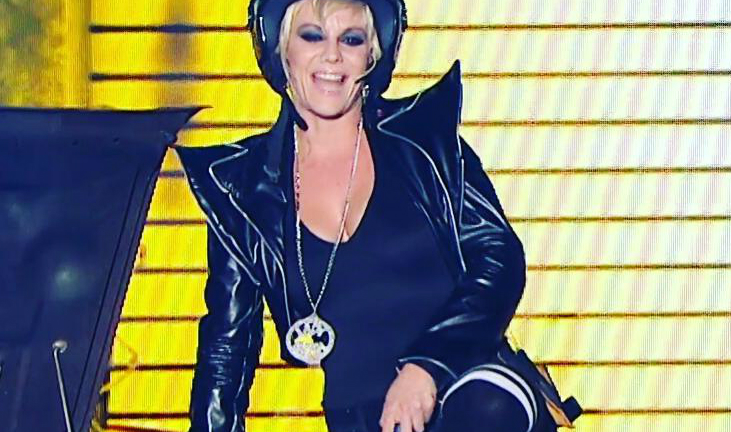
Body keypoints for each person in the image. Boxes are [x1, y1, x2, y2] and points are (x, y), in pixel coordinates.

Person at [176, 1, 581, 431]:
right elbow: (226, 350)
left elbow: (499, 260)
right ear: (279, 48)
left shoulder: (428, 145)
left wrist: (427, 366)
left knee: (487, 407)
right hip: (364, 421)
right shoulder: (241, 189)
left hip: (473, 395)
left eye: (351, 39)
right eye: (312, 36)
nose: (332, 55)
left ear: (374, 53)